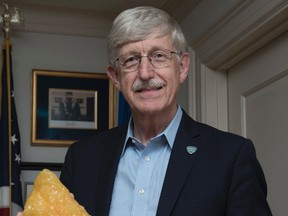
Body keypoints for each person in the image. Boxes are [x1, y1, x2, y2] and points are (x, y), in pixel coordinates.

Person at [19, 6, 272, 216]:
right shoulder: (82, 158)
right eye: (130, 60)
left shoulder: (232, 157)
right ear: (115, 77)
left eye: (159, 56)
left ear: (182, 67)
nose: (145, 72)